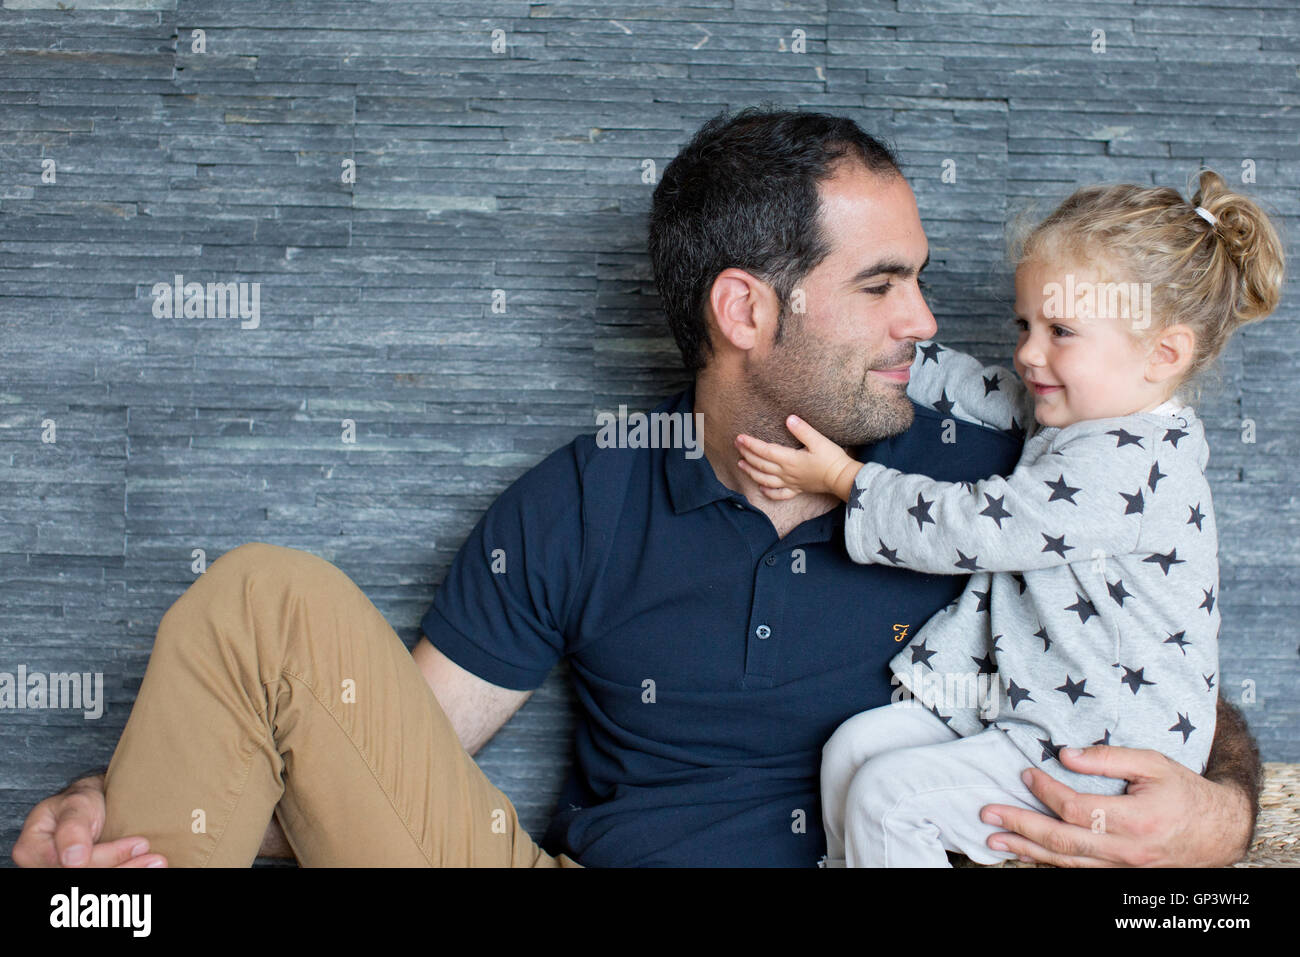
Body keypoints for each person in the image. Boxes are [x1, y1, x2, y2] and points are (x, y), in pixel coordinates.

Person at [12, 108, 1262, 869]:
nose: (930, 322)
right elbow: (367, 765)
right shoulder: (585, 499)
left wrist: (1218, 819)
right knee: (262, 603)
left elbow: (1156, 675)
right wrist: (132, 798)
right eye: (883, 285)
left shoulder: (995, 464)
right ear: (744, 308)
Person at [735, 170, 1283, 866]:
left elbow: (975, 526)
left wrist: (846, 480)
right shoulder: (1088, 418)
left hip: (1101, 753)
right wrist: (869, 339)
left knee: (889, 797)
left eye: (1061, 331)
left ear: (1163, 353)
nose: (1028, 352)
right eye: (1025, 325)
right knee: (854, 748)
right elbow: (975, 386)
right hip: (1045, 715)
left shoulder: (1129, 467)